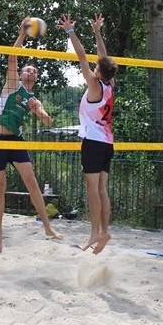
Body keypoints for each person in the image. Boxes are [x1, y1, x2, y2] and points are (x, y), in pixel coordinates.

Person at [0, 18, 63, 253]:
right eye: (28, 68)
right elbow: (12, 56)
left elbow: (46, 118)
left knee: (31, 181)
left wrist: (41, 114)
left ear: (36, 78)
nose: (32, 71)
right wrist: (22, 34)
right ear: (21, 74)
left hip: (15, 140)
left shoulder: (33, 98)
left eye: (35, 70)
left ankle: (48, 227)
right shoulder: (12, 84)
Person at [58, 13, 118, 254]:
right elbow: (103, 58)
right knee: (102, 189)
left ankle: (95, 232)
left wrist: (70, 31)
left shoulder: (95, 85)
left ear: (99, 72)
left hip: (93, 143)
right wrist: (97, 32)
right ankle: (104, 231)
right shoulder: (110, 85)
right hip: (107, 143)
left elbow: (82, 57)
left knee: (92, 189)